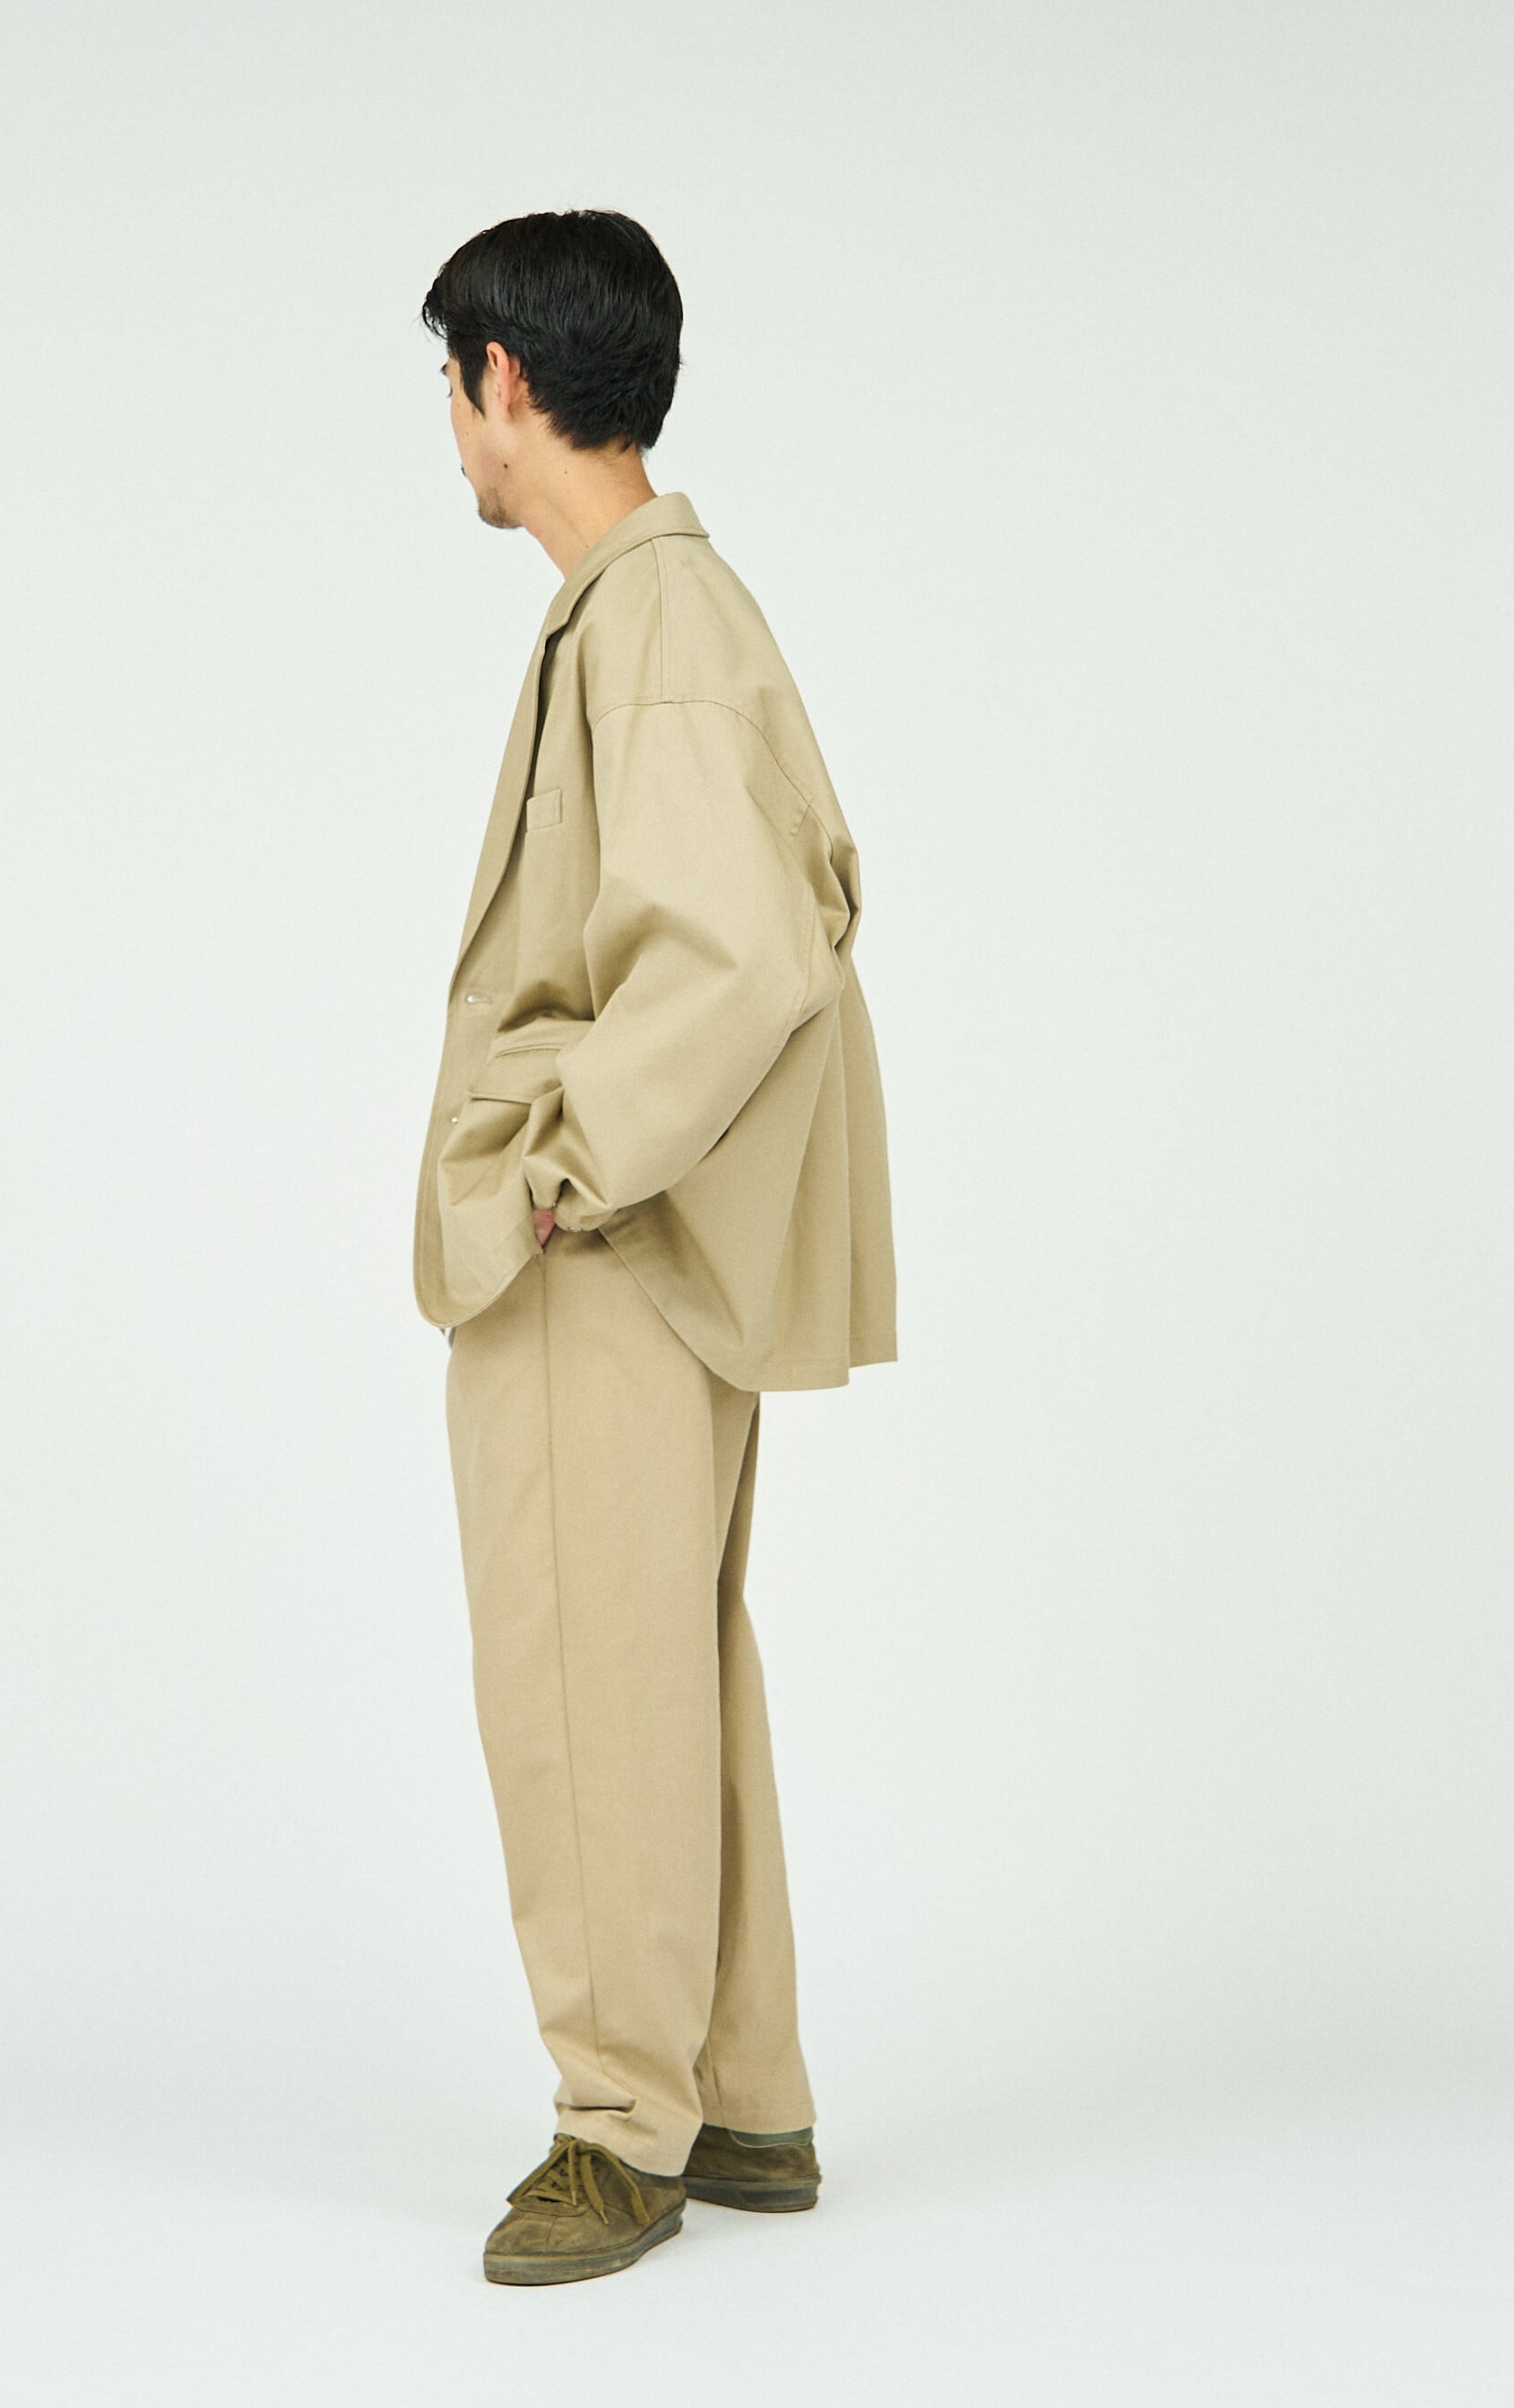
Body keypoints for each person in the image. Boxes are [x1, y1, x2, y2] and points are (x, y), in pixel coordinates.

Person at [414, 208, 897, 2286]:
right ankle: (741, 2096)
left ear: (504, 380)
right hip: (654, 1236)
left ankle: (619, 2126)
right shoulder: (650, 609)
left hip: (602, 1244)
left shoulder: (652, 620)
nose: (447, 427)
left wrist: (555, 1166)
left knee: (577, 1671)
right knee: (662, 1659)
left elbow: (743, 947)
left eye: (447, 385)